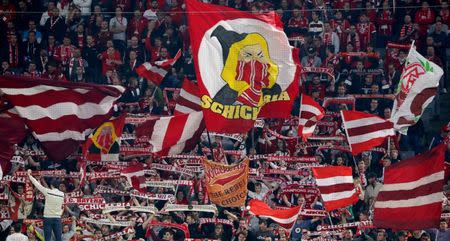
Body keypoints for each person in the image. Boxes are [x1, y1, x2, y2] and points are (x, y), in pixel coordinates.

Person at [27, 169, 65, 241]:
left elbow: (37, 185)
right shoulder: (62, 194)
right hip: (57, 218)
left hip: (48, 218)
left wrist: (30, 175)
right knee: (59, 238)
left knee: (47, 238)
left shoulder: (48, 192)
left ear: (51, 185)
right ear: (58, 186)